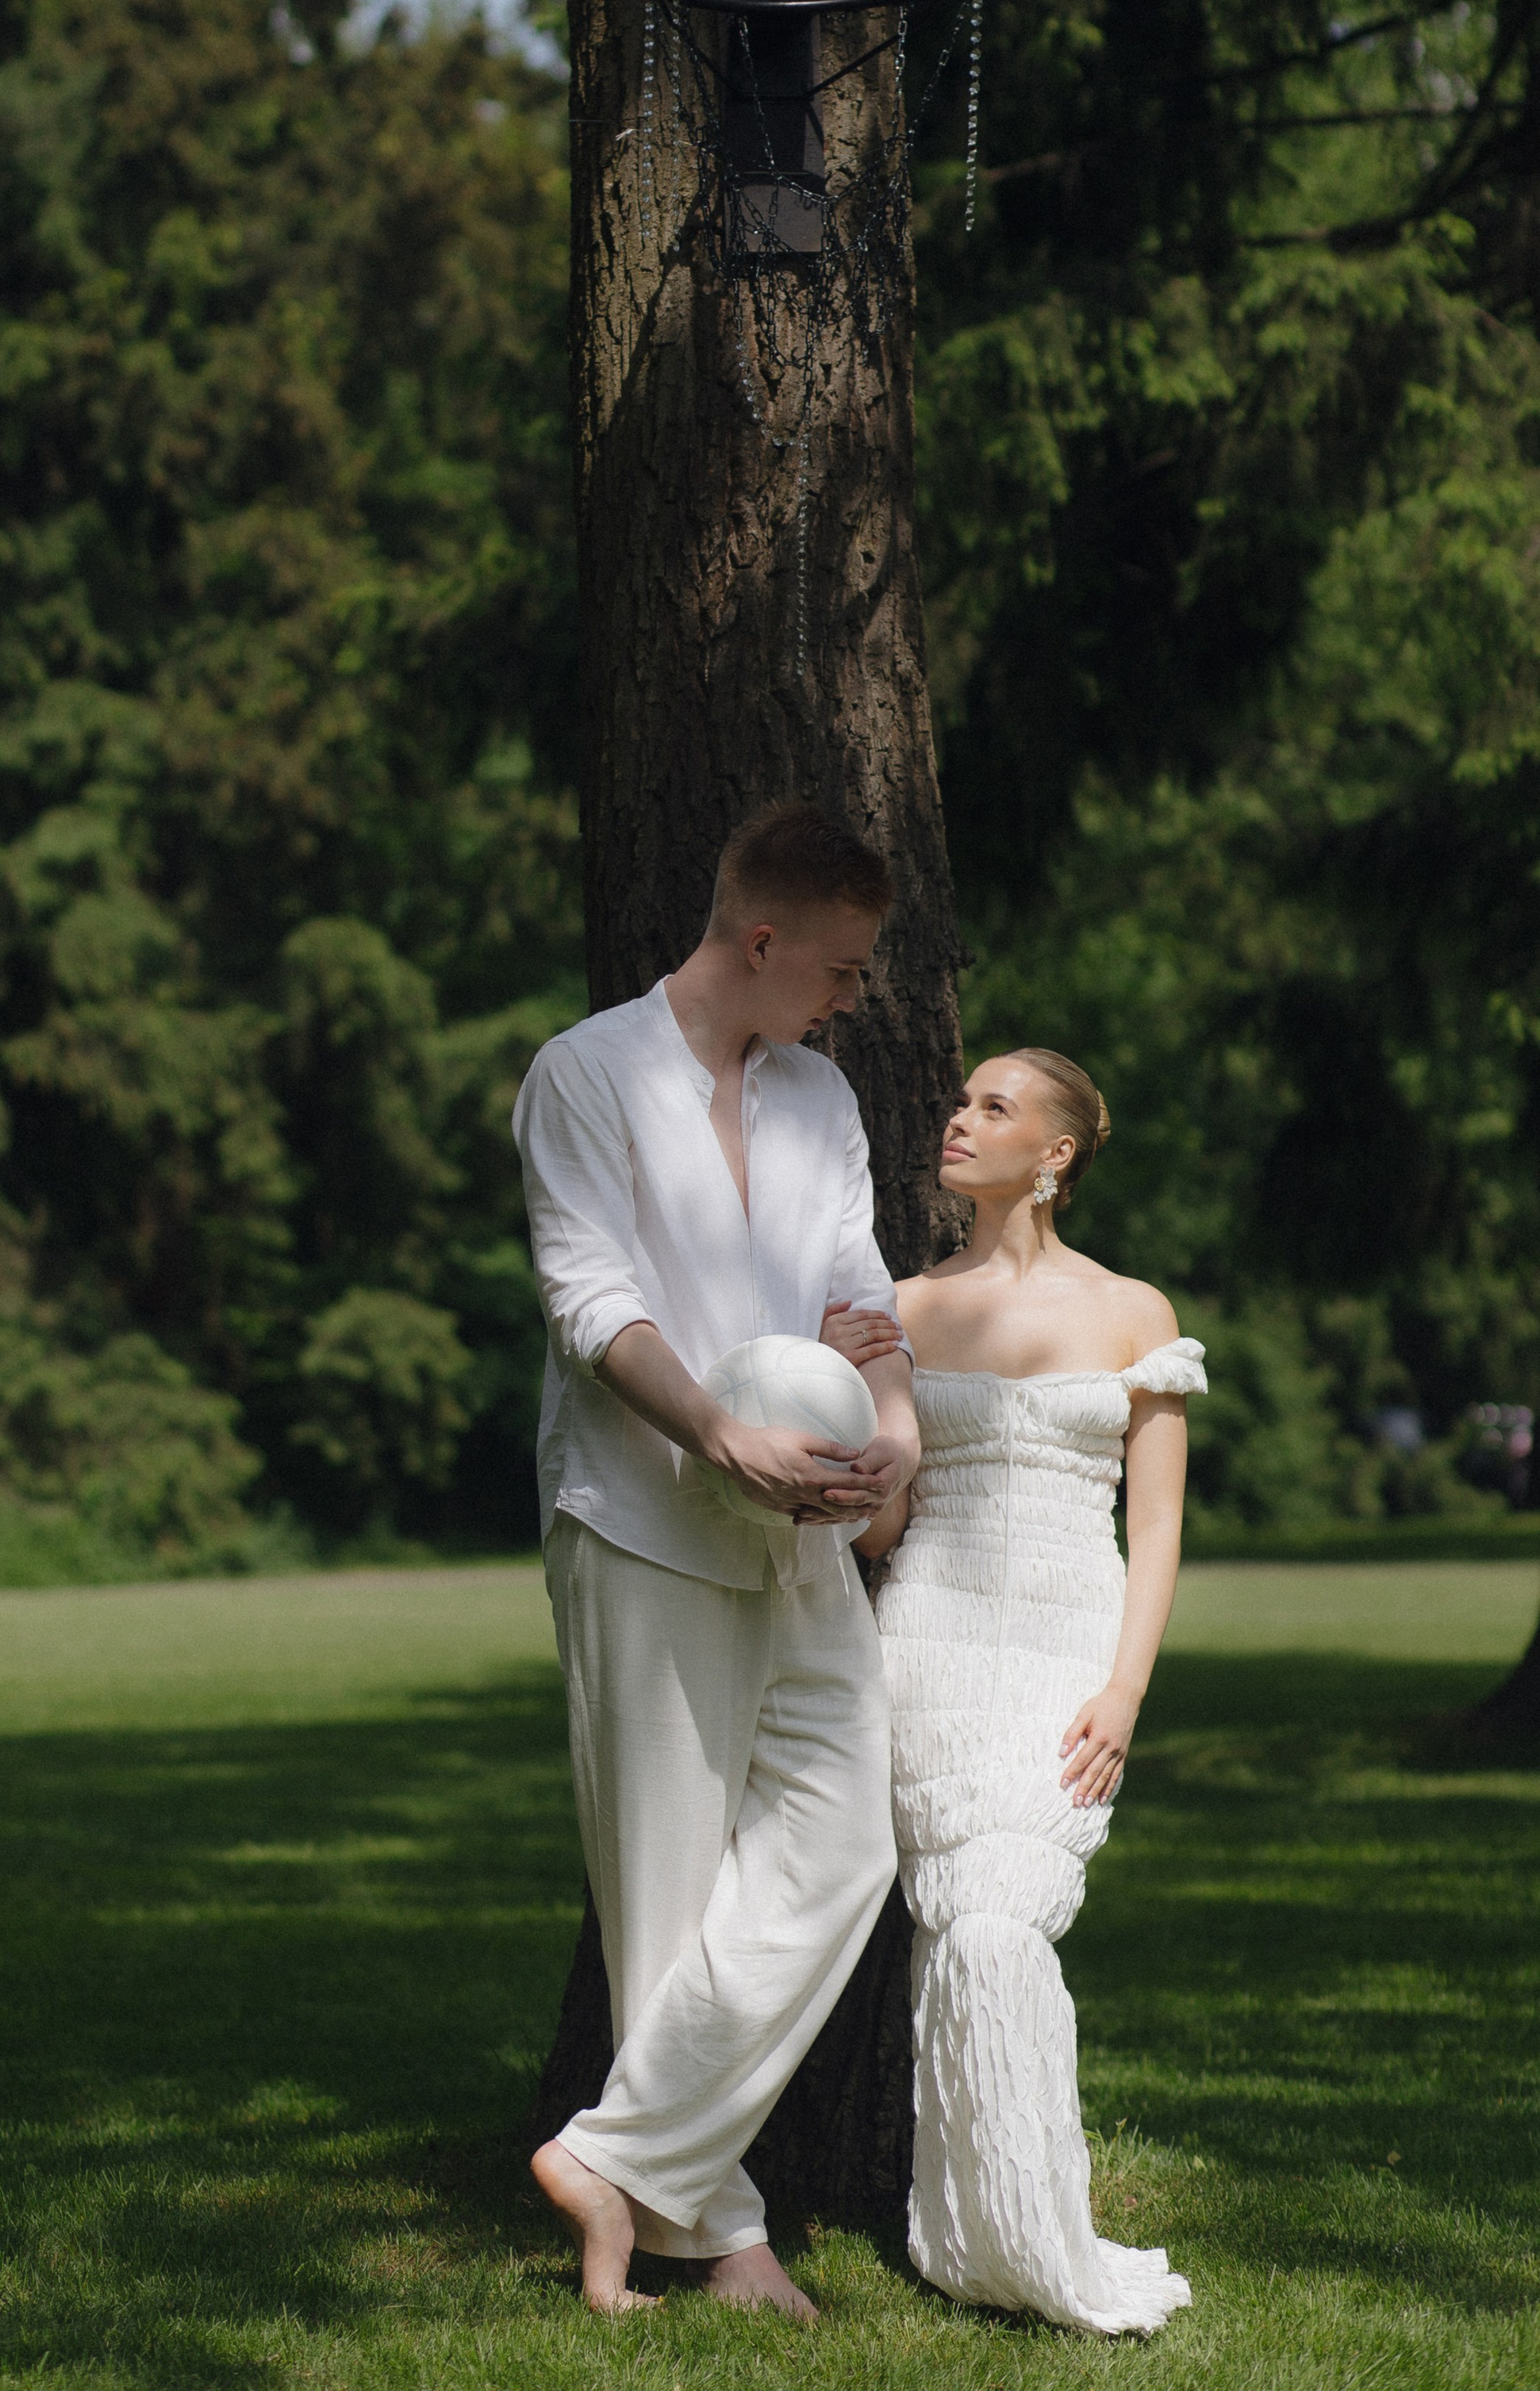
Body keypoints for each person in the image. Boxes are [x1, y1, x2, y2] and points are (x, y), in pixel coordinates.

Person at [513, 803, 920, 2319]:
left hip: (804, 1528)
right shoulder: (585, 1073)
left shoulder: (821, 1096)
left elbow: (861, 1296)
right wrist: (715, 1433)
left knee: (848, 1837)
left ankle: (610, 2158)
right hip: (643, 1519)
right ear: (760, 940)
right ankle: (720, 2233)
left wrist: (894, 1432)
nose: (853, 995)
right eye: (841, 968)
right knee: (667, 1893)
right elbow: (587, 1297)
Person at [851, 1048, 1204, 2335]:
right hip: (928, 1642)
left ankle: (1022, 2234)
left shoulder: (1134, 1311)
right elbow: (883, 1529)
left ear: (1055, 1153)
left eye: (993, 1106)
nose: (958, 1117)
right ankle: (981, 2238)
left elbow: (1154, 1529)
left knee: (1003, 1920)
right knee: (961, 1922)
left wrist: (1126, 1691)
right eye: (960, 1099)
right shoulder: (901, 1304)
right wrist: (859, 1407)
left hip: (1068, 1644)